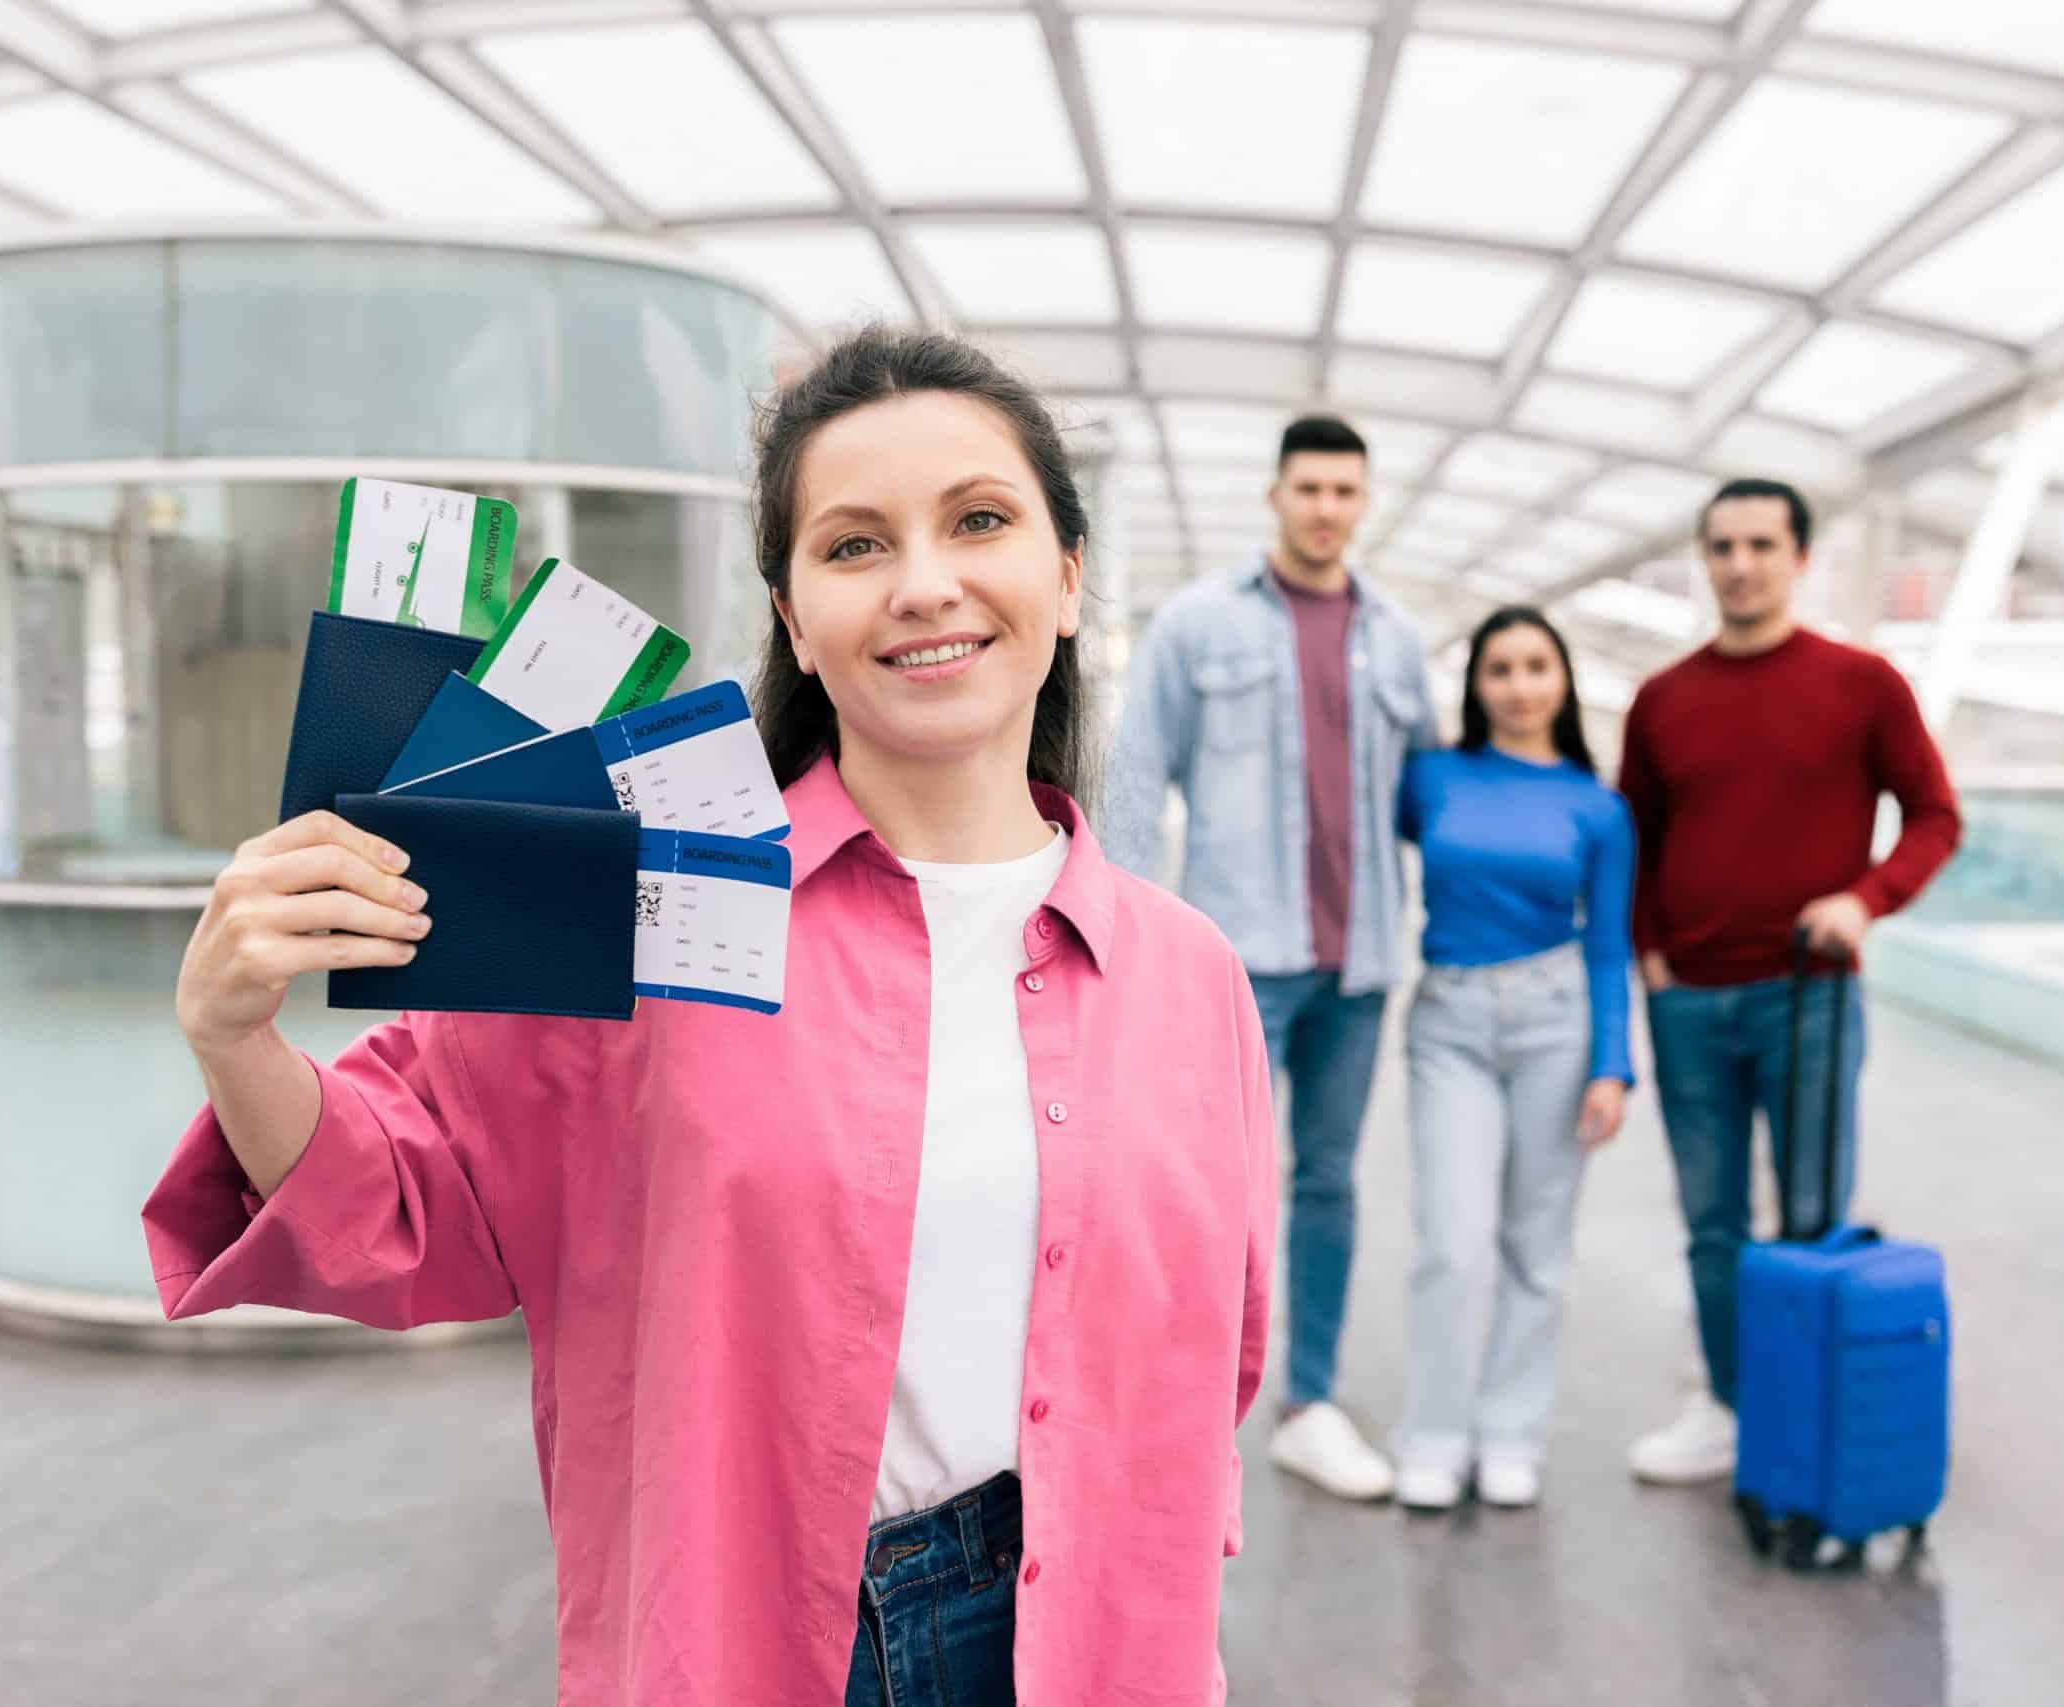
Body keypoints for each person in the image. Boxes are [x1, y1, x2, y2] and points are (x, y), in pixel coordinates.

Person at [143, 328, 1279, 1706]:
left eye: (980, 519)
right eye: (855, 545)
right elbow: (411, 1206)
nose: (927, 584)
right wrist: (236, 1036)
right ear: (796, 618)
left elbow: (1212, 1359)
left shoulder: (1191, 973)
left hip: (1101, 1642)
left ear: (1068, 574)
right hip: (759, 1637)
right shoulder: (641, 912)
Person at [1108, 415, 1435, 1503]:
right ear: (1276, 494)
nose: (1326, 508)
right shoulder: (1198, 623)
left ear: (1362, 500)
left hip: (1362, 959)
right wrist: (1119, 943)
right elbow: (1134, 782)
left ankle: (1309, 1403)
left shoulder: (1395, 637)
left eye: (1345, 490)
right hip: (1238, 959)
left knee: (1329, 1184)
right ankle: (1185, 1405)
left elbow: (1430, 794)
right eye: (1309, 488)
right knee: (1209, 1190)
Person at [1618, 477, 1961, 1485]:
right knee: (1710, 1225)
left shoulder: (1863, 685)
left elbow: (1935, 815)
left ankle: (1805, 1409)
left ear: (1799, 559)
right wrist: (1651, 955)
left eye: (1760, 545)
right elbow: (1632, 838)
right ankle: (1726, 1409)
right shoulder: (1662, 700)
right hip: (1688, 1002)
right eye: (1721, 547)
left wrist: (1866, 898)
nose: (1739, 565)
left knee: (1812, 1210)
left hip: (1807, 996)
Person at [1392, 607, 1634, 1511]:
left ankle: (1509, 1433)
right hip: (1449, 1021)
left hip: (1558, 1023)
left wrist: (1613, 1064)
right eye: (1501, 668)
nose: (1520, 685)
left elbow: (1609, 943)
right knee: (1451, 1245)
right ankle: (1435, 1435)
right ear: (1477, 683)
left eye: (1537, 666)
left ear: (1563, 680)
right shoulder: (1430, 779)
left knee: (1537, 1246)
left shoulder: (1598, 806)